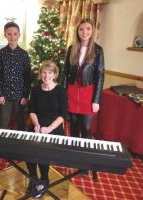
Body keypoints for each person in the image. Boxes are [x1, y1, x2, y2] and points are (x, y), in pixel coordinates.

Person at [64, 18, 104, 173]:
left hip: (88, 93)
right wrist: (63, 95)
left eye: (88, 28)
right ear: (77, 31)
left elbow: (100, 75)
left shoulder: (98, 50)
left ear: (92, 30)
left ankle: (85, 164)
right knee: (73, 128)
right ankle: (75, 158)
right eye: (81, 29)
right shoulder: (71, 48)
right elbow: (66, 73)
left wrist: (96, 99)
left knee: (86, 129)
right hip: (72, 92)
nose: (84, 32)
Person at [25, 60, 67, 198]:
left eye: (50, 73)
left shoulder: (61, 91)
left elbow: (63, 115)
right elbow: (31, 110)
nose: (46, 75)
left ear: (55, 75)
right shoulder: (36, 89)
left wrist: (49, 129)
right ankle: (33, 178)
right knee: (28, 151)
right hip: (37, 126)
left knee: (42, 152)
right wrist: (36, 124)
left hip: (54, 127)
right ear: (40, 74)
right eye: (44, 72)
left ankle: (44, 178)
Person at [0, 22, 31, 130]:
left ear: (19, 35)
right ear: (5, 35)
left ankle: (21, 143)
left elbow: (28, 77)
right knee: (4, 121)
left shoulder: (24, 54)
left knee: (21, 121)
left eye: (15, 34)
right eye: (9, 34)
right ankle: (3, 143)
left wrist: (25, 95)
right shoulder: (0, 54)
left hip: (20, 94)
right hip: (5, 94)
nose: (12, 37)